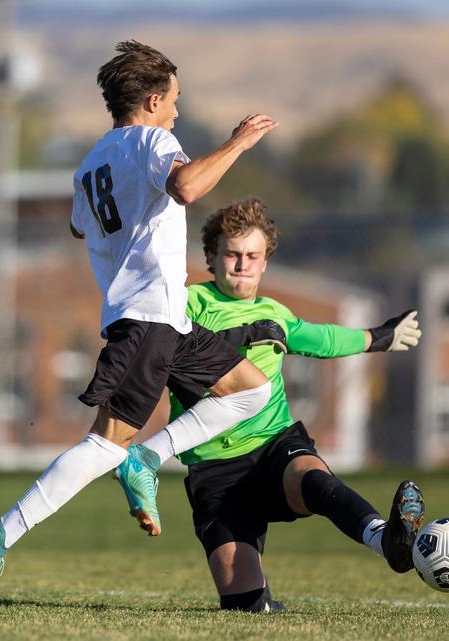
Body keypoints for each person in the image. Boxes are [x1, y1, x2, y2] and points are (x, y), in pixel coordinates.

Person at [0, 40, 279, 610]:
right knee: (103, 445)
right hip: (148, 317)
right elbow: (185, 187)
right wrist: (239, 142)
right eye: (175, 101)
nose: (178, 112)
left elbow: (81, 228)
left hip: (168, 317)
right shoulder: (155, 140)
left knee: (251, 391)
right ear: (154, 101)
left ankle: (147, 458)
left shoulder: (91, 163)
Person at [114, 197, 425, 613]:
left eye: (252, 256)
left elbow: (322, 340)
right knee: (246, 606)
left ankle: (386, 540)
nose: (242, 264)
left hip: (274, 445)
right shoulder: (185, 306)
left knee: (311, 478)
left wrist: (379, 337)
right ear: (212, 256)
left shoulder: (274, 312)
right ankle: (254, 594)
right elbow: (146, 344)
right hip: (214, 472)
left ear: (264, 263)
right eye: (232, 255)